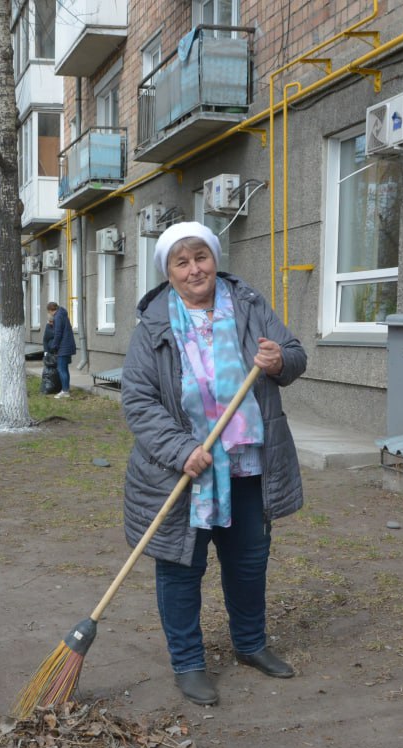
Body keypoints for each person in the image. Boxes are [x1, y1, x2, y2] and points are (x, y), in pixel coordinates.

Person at [121, 221, 306, 707]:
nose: (194, 269)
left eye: (200, 257)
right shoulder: (155, 325)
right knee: (181, 567)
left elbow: (295, 354)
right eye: (181, 262)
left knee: (248, 563)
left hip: (248, 463)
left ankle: (250, 645)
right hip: (185, 471)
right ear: (169, 271)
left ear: (215, 258)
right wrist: (182, 449)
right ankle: (188, 663)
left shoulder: (247, 306)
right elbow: (138, 400)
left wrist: (278, 360)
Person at [46, 301, 76, 398]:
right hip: (67, 345)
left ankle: (65, 391)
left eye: (49, 312)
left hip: (63, 346)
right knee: (65, 369)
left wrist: (53, 346)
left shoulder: (58, 317)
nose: (49, 314)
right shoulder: (63, 314)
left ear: (51, 310)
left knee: (61, 369)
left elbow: (58, 333)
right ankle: (66, 389)